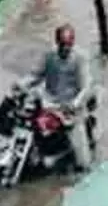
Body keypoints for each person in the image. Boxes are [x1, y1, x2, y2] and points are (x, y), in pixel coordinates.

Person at [23, 24, 94, 171]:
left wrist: (76, 103)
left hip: (70, 110)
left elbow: (86, 86)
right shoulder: (49, 55)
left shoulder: (81, 58)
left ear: (73, 43)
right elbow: (36, 75)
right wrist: (21, 84)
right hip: (50, 105)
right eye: (62, 44)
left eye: (68, 45)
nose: (65, 48)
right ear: (57, 42)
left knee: (83, 164)